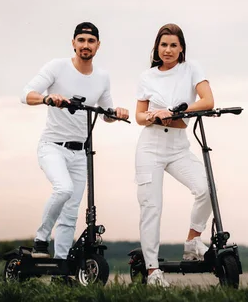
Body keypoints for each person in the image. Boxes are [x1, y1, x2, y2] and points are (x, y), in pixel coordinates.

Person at [20, 21, 129, 262]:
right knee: (64, 189)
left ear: (98, 45)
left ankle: (61, 265)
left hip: (81, 153)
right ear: (73, 43)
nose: (85, 45)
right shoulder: (57, 67)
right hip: (52, 146)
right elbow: (26, 94)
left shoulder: (102, 77)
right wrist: (47, 98)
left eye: (90, 41)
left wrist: (118, 113)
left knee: (70, 213)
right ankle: (41, 238)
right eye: (81, 40)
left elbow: (106, 114)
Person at [134, 23, 215, 287]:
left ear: (181, 49)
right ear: (157, 48)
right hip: (150, 148)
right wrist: (154, 116)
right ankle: (152, 270)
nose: (168, 50)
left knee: (206, 189)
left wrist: (174, 113)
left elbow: (207, 101)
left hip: (179, 148)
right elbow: (139, 116)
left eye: (173, 45)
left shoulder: (191, 69)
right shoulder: (147, 77)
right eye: (163, 45)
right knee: (152, 207)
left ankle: (193, 242)